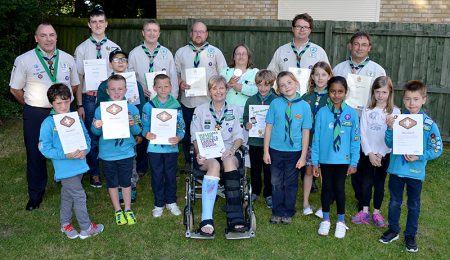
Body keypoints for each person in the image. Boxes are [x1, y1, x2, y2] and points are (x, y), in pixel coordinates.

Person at [9, 22, 80, 211]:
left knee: (69, 146)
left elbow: (74, 86)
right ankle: (36, 194)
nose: (48, 39)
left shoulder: (67, 58)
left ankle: (71, 185)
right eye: (43, 35)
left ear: (56, 37)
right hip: (36, 112)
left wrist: (64, 104)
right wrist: (32, 104)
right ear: (36, 38)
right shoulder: (24, 59)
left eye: (51, 35)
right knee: (36, 152)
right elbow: (15, 89)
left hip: (65, 110)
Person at [379, 80, 442, 253]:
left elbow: (437, 148)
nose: (411, 103)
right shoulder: (398, 120)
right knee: (394, 202)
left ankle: (410, 234)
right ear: (403, 99)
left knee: (413, 204)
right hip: (397, 170)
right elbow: (389, 143)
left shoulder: (429, 124)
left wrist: (419, 156)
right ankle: (393, 229)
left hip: (415, 172)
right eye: (407, 99)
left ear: (424, 99)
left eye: (415, 99)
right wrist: (390, 129)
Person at [39, 83, 104, 239]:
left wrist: (85, 150)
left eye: (66, 101)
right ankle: (86, 227)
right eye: (59, 103)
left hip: (79, 164)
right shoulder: (48, 123)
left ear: (71, 99)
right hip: (64, 168)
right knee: (80, 195)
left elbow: (87, 139)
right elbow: (44, 148)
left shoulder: (75, 118)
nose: (63, 106)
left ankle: (65, 224)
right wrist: (65, 154)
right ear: (51, 104)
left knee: (67, 195)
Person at [332, 31, 386, 212]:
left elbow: (382, 94)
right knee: (341, 156)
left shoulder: (377, 70)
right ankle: (333, 191)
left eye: (364, 45)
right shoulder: (339, 68)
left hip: (366, 123)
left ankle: (361, 198)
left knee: (363, 161)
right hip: (343, 120)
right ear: (350, 46)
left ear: (369, 48)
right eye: (356, 44)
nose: (359, 48)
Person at [190, 75, 244, 236]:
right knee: (213, 165)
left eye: (221, 88)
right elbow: (194, 137)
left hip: (228, 151)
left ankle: (236, 216)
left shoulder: (235, 110)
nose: (218, 91)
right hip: (207, 154)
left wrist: (233, 150)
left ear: (227, 90)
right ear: (209, 91)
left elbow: (239, 136)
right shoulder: (200, 110)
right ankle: (207, 219)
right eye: (214, 88)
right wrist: (199, 154)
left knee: (228, 161)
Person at [75, 8, 120, 188]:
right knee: (93, 136)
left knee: (111, 133)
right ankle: (94, 172)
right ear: (89, 25)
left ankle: (113, 170)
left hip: (109, 99)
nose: (98, 25)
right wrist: (79, 104)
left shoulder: (115, 48)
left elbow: (119, 76)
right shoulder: (82, 49)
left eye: (101, 21)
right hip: (90, 99)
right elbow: (78, 79)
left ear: (106, 23)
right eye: (94, 21)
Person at [175, 21, 227, 173]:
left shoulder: (215, 52)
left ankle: (211, 158)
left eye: (202, 31)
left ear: (206, 34)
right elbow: (175, 74)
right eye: (195, 31)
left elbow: (223, 74)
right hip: (188, 101)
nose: (198, 34)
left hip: (208, 102)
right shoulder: (181, 52)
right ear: (191, 34)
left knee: (208, 132)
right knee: (186, 134)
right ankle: (188, 160)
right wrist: (180, 83)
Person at [312, 76, 360, 239]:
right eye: (332, 91)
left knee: (339, 189)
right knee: (326, 188)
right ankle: (325, 219)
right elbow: (316, 138)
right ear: (328, 92)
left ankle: (340, 221)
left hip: (343, 160)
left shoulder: (352, 114)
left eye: (340, 91)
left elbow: (355, 139)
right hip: (325, 159)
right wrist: (315, 161)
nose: (336, 95)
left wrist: (354, 162)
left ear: (346, 92)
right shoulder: (322, 113)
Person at [96, 49, 146, 203]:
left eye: (123, 59)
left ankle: (130, 188)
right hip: (110, 133)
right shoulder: (104, 85)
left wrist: (138, 132)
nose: (120, 62)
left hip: (129, 131)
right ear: (110, 64)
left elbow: (140, 106)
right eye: (116, 59)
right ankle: (117, 189)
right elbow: (100, 108)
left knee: (130, 162)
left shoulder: (135, 83)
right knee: (115, 165)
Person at [91, 75, 141, 225]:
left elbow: (138, 131)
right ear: (107, 91)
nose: (117, 92)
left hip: (126, 152)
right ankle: (117, 210)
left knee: (126, 182)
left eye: (120, 89)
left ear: (126, 90)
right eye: (113, 89)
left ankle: (128, 209)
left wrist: (132, 124)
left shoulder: (131, 109)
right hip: (108, 154)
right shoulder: (100, 110)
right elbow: (96, 133)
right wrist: (96, 126)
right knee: (112, 183)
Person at [263, 71, 312, 225]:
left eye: (289, 83)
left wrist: (303, 156)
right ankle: (277, 211)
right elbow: (268, 128)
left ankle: (288, 211)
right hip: (276, 150)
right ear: (279, 89)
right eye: (282, 85)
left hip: (294, 151)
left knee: (290, 182)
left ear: (296, 82)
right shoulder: (275, 104)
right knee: (276, 182)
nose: (286, 87)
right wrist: (265, 151)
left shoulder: (304, 106)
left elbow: (306, 132)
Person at [351, 76, 400, 228]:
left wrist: (380, 153)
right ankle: (364, 210)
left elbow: (394, 136)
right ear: (373, 92)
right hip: (367, 154)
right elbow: (362, 133)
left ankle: (376, 212)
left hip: (383, 155)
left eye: (384, 92)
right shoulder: (367, 109)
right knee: (366, 182)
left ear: (390, 93)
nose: (380, 95)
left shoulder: (395, 112)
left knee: (379, 183)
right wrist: (370, 153)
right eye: (377, 91)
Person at [142, 74, 185, 217]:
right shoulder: (149, 106)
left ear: (171, 87)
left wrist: (179, 137)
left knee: (171, 175)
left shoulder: (176, 105)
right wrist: (146, 134)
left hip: (171, 147)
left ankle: (171, 201)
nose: (163, 89)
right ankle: (159, 203)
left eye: (166, 86)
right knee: (157, 175)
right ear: (154, 88)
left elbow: (181, 126)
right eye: (159, 86)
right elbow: (145, 126)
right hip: (154, 148)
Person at [301, 62, 332, 218]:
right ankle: (305, 202)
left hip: (326, 143)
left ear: (329, 76)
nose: (320, 78)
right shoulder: (306, 97)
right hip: (309, 141)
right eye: (317, 74)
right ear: (312, 77)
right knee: (308, 170)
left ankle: (323, 205)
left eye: (324, 74)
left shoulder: (332, 97)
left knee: (323, 173)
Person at [243, 70, 277, 208]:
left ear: (271, 85)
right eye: (260, 85)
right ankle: (255, 190)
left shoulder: (276, 101)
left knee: (269, 169)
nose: (263, 88)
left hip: (271, 142)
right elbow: (245, 118)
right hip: (255, 141)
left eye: (266, 85)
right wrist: (247, 124)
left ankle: (269, 194)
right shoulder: (251, 100)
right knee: (255, 168)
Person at [128, 19, 178, 99]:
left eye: (155, 30)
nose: (152, 33)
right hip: (142, 98)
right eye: (148, 30)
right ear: (143, 33)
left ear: (159, 34)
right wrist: (139, 89)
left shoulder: (167, 53)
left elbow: (173, 77)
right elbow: (130, 78)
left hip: (164, 99)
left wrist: (173, 99)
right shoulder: (134, 54)